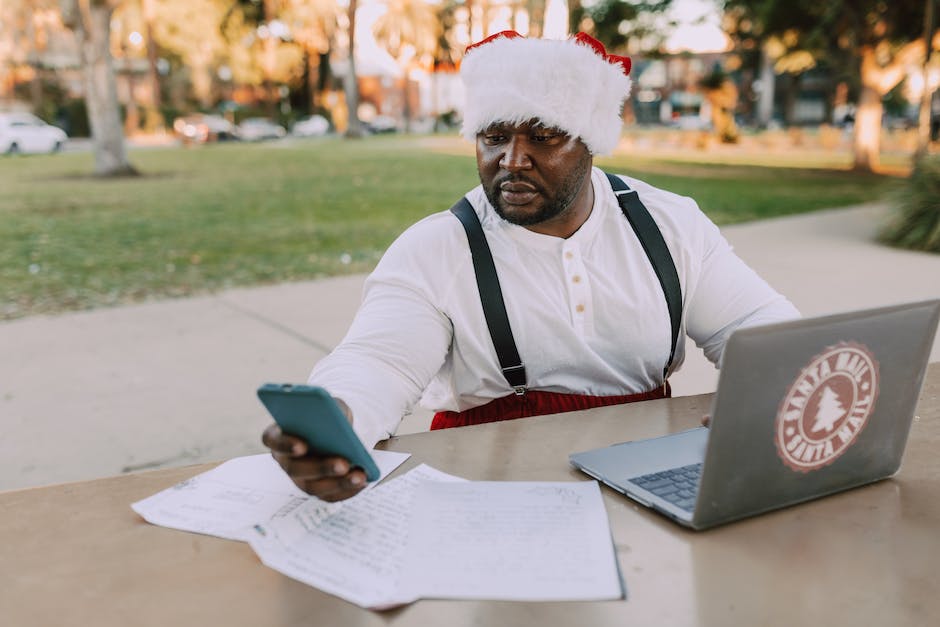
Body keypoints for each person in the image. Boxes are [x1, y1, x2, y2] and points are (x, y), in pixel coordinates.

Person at [262, 31, 800, 501]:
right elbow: (378, 363)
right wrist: (340, 421)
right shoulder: (437, 247)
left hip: (649, 480)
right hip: (488, 489)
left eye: (543, 136)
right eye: (494, 136)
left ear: (590, 140)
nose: (513, 159)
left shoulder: (669, 225)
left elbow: (758, 333)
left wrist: (779, 392)